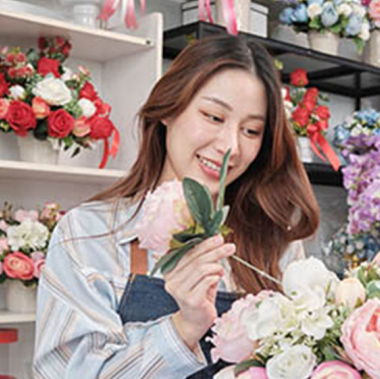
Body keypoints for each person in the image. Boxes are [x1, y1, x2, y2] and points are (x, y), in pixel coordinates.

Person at [33, 35, 320, 378]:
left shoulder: (277, 243)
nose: (231, 146)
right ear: (168, 109)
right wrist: (183, 328)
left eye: (252, 130)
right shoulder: (87, 235)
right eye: (214, 117)